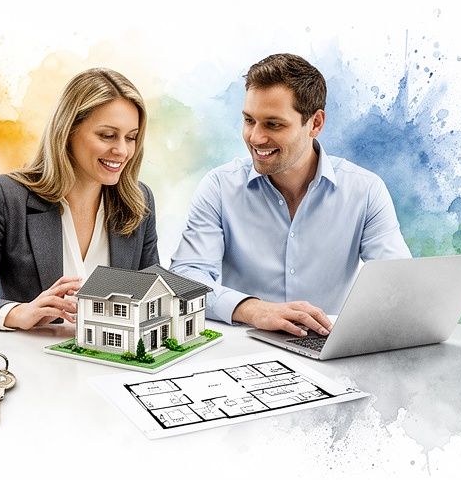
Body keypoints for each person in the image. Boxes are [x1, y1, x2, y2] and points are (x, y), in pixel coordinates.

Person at [169, 53, 410, 337]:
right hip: (245, 348)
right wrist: (254, 309)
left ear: (315, 123)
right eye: (249, 120)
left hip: (328, 348)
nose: (255, 138)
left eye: (273, 124)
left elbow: (399, 284)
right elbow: (185, 280)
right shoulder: (219, 187)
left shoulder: (365, 191)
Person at [0, 68, 159, 330]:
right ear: (68, 131)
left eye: (131, 138)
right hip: (33, 366)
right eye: (107, 135)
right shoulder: (7, 197)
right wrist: (19, 313)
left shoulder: (139, 202)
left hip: (114, 365)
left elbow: (154, 297)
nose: (122, 150)